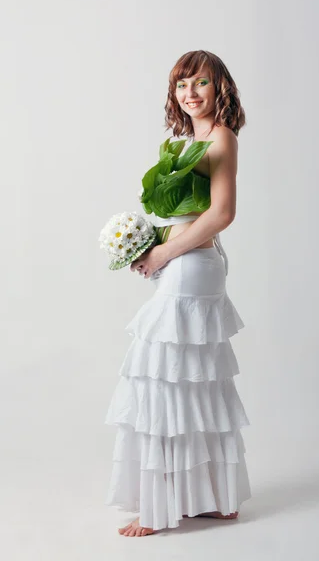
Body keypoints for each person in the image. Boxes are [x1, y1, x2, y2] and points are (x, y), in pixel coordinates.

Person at [104, 50, 251, 537]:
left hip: (192, 267)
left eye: (201, 83)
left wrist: (165, 256)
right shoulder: (183, 140)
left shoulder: (221, 137)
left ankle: (158, 507)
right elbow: (181, 216)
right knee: (191, 379)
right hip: (182, 264)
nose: (190, 93)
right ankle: (215, 499)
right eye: (182, 84)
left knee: (162, 378)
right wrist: (147, 250)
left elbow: (221, 214)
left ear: (219, 88)